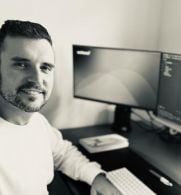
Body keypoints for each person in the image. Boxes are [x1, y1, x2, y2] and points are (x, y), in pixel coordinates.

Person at [0, 20, 121, 195]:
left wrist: (97, 177)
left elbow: (63, 153)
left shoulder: (37, 123)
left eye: (45, 67)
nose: (37, 78)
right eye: (21, 64)